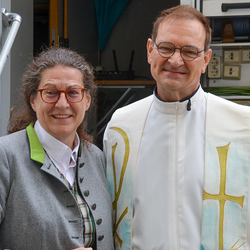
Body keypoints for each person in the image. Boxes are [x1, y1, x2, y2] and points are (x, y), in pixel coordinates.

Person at [103, 5, 250, 250]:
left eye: (190, 51)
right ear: (150, 51)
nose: (175, 60)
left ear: (206, 59)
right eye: (166, 47)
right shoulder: (122, 125)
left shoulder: (242, 125)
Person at [0, 47, 113, 250]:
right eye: (50, 93)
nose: (62, 104)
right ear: (33, 100)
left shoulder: (96, 158)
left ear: (87, 101)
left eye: (73, 93)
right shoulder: (5, 156)